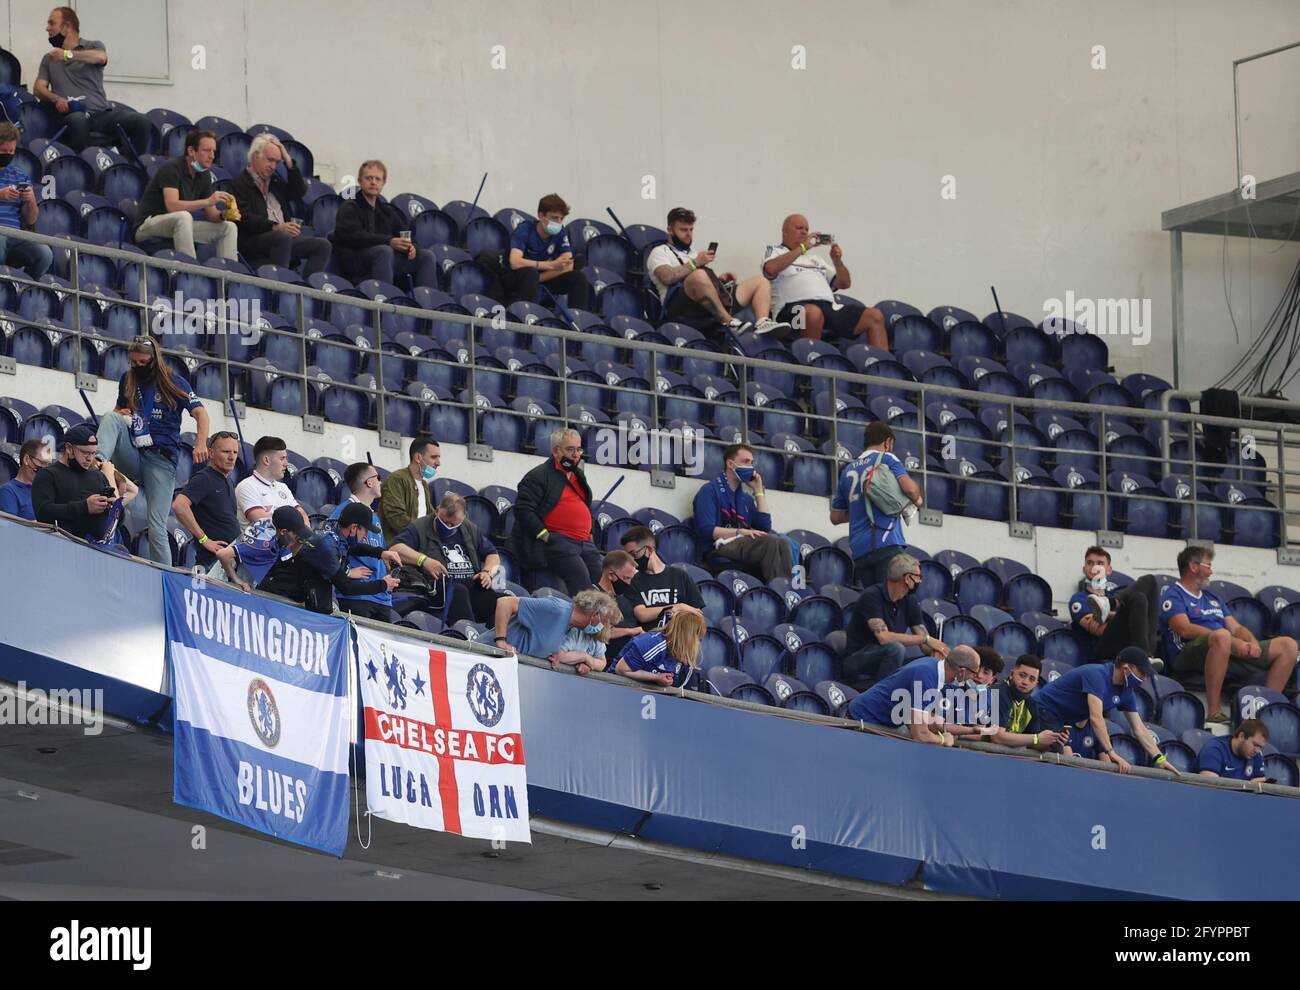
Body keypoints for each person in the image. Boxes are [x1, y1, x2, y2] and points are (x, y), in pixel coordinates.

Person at [95, 336, 210, 566]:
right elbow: (119, 408)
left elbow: (201, 413)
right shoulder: (128, 379)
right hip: (135, 451)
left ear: (154, 360)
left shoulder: (173, 381)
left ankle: (164, 575)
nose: (138, 366)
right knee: (110, 418)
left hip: (161, 459)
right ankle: (97, 462)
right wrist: (122, 414)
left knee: (157, 526)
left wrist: (200, 443)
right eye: (134, 362)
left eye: (142, 362)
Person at [1159, 545, 1298, 725]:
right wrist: (1232, 641)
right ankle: (1214, 711)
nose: (1211, 571)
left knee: (1288, 645)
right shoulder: (1174, 595)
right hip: (1187, 653)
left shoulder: (1213, 598)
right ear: (1193, 567)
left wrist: (1251, 642)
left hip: (1225, 647)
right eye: (1208, 566)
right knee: (1222, 637)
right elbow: (1184, 629)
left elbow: (1236, 627)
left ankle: (1266, 711)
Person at [645, 206, 789, 337]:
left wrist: (721, 280)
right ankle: (728, 322)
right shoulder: (659, 252)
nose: (688, 234)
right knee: (698, 275)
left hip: (706, 305)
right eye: (683, 230)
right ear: (670, 230)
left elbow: (704, 285)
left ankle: (762, 322)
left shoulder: (694, 252)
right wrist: (695, 263)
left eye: (691, 229)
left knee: (760, 281)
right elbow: (666, 277)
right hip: (681, 309)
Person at [1033, 646, 1178, 776]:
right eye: (1142, 673)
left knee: (1058, 762)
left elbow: (1139, 728)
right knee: (1057, 762)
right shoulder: (1097, 674)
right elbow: (1096, 717)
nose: (1145, 678)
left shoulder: (1127, 692)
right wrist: (1111, 752)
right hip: (1043, 709)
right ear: (1126, 668)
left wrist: (1160, 759)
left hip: (1061, 720)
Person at [33, 7, 152, 156]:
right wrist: (55, 98)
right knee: (78, 120)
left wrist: (67, 54)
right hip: (73, 115)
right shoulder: (49, 58)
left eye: (52, 23)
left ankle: (128, 166)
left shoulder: (94, 46)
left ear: (67, 27)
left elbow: (101, 57)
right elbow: (38, 88)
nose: (47, 28)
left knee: (142, 121)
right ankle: (84, 166)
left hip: (102, 115)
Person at [760, 214, 887, 346]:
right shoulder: (774, 251)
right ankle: (811, 359)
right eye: (799, 228)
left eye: (806, 229)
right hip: (790, 310)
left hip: (828, 307)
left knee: (874, 316)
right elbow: (770, 269)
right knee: (813, 313)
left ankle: (883, 366)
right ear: (785, 232)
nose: (804, 232)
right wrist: (802, 248)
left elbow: (844, 283)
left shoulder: (816, 259)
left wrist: (837, 261)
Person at [257, 505, 400, 616]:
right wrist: (383, 585)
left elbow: (352, 548)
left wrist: (381, 553)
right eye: (365, 530)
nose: (366, 535)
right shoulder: (325, 547)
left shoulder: (334, 532)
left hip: (290, 596)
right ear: (354, 528)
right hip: (276, 598)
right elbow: (346, 587)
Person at [389, 492, 506, 625]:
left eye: (453, 525)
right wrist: (423, 560)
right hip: (437, 587)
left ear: (462, 519)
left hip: (471, 585)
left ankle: (492, 640)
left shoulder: (469, 528)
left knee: (505, 603)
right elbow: (395, 548)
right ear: (438, 509)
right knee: (458, 591)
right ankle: (467, 635)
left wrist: (487, 573)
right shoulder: (420, 527)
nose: (448, 527)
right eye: (444, 521)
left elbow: (493, 554)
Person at [831, 422, 923, 588]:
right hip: (886, 543)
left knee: (874, 601)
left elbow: (836, 517)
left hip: (859, 550)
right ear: (887, 442)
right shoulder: (887, 458)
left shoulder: (846, 470)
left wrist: (861, 507)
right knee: (891, 602)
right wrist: (917, 499)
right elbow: (910, 489)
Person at [513, 428, 604, 596]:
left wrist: (589, 531)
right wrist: (544, 534)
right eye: (570, 449)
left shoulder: (578, 475)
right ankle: (585, 622)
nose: (576, 455)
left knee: (604, 582)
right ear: (556, 451)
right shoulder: (538, 476)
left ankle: (606, 621)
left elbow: (584, 505)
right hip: (559, 542)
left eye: (579, 449)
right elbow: (523, 510)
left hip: (585, 542)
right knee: (583, 585)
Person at [229, 133, 331, 276]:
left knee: (322, 245)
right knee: (282, 238)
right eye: (270, 160)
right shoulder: (238, 184)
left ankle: (308, 290)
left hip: (282, 238)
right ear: (255, 156)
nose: (274, 166)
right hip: (255, 240)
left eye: (277, 162)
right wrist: (275, 226)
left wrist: (288, 160)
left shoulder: (275, 181)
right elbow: (244, 217)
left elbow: (299, 191)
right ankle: (280, 285)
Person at [842, 553, 947, 690]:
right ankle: (881, 693)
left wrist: (939, 652)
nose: (920, 581)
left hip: (890, 658)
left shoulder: (910, 601)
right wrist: (926, 639)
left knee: (929, 662)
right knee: (896, 649)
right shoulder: (872, 595)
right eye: (917, 577)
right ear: (907, 578)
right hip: (857, 658)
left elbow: (924, 640)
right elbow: (884, 638)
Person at [691, 443, 792, 583]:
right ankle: (778, 590)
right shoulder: (709, 491)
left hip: (742, 546)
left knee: (783, 543)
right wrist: (740, 532)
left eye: (751, 463)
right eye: (745, 462)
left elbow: (764, 526)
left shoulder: (746, 499)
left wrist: (758, 491)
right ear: (730, 464)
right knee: (770, 542)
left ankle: (785, 588)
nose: (750, 467)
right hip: (717, 548)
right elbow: (706, 530)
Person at [330, 159, 438, 288]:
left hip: (385, 260)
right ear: (360, 181)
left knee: (426, 256)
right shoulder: (349, 206)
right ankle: (384, 300)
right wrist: (389, 241)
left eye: (378, 179)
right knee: (384, 251)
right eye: (369, 178)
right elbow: (352, 236)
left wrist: (411, 247)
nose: (373, 182)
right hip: (356, 262)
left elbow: (407, 236)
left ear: (383, 183)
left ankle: (426, 304)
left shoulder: (387, 211)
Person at [133, 129, 238, 260]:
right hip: (147, 226)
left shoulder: (204, 174)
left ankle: (229, 276)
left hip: (179, 227)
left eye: (214, 151)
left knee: (228, 227)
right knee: (184, 217)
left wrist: (224, 214)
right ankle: (190, 270)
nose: (212, 156)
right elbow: (172, 206)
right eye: (207, 150)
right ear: (191, 151)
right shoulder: (172, 168)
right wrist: (207, 201)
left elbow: (212, 215)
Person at [846, 644, 982, 744]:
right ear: (961, 671)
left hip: (877, 721)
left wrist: (971, 730)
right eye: (974, 673)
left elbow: (933, 723)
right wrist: (943, 740)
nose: (974, 678)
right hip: (863, 722)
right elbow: (920, 735)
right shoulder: (926, 677)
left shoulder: (934, 667)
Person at [479, 194, 589, 309]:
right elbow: (515, 262)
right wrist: (549, 265)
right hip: (512, 277)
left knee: (578, 277)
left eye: (561, 219)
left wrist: (540, 277)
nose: (558, 222)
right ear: (541, 216)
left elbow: (567, 266)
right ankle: (527, 316)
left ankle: (578, 320)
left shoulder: (560, 232)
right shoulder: (525, 229)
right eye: (554, 218)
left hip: (540, 277)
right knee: (531, 273)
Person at [324, 463, 396, 622]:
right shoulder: (344, 511)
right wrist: (347, 573)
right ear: (369, 482)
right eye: (378, 478)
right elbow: (335, 548)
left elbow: (374, 547)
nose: (380, 482)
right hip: (357, 595)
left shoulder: (374, 516)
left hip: (381, 596)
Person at [1068, 546, 1161, 663]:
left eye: (1100, 563)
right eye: (1090, 563)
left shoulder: (1118, 593)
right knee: (1136, 598)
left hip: (1128, 644)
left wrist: (1107, 615)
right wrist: (1125, 614)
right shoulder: (1079, 599)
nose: (1095, 567)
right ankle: (1142, 655)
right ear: (1084, 568)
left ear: (1109, 570)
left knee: (1147, 585)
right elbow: (1097, 629)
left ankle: (1145, 655)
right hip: (1102, 650)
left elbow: (1100, 619)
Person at [493, 589, 620, 674]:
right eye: (603, 622)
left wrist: (583, 661)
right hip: (489, 656)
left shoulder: (572, 628)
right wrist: (501, 640)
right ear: (595, 615)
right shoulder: (557, 609)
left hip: (506, 668)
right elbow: (505, 603)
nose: (602, 627)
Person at [171, 431, 241, 573]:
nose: (231, 457)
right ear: (211, 453)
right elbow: (179, 505)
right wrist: (204, 540)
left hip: (227, 564)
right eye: (226, 451)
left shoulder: (228, 481)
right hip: (211, 564)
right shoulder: (204, 478)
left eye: (235, 452)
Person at [31, 422, 114, 542]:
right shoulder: (48, 475)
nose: (90, 458)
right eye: (85, 452)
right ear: (69, 448)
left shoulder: (98, 476)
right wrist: (85, 507)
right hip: (62, 546)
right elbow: (43, 512)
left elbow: (118, 522)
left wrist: (115, 510)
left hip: (98, 550)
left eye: (93, 453)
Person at [619, 526, 705, 629]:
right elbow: (642, 614)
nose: (631, 560)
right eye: (628, 557)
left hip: (680, 639)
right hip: (650, 641)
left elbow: (697, 614)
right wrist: (675, 607)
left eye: (634, 554)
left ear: (649, 549)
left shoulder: (680, 576)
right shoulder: (633, 580)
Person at [0, 122, 52, 279]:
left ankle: (24, 289)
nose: (8, 154)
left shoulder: (19, 175)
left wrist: (30, 201)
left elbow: (31, 219)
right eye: (3, 151)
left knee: (44, 253)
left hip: (15, 236)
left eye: (11, 151)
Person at [985, 655, 1069, 751]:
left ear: (1036, 684)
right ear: (1011, 674)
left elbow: (1033, 744)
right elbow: (997, 737)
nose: (1025, 682)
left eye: (1031, 679)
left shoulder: (1031, 704)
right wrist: (1037, 738)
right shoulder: (998, 693)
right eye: (1022, 675)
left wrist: (1054, 742)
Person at [613, 611, 707, 688]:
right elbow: (621, 669)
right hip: (616, 687)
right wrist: (656, 677)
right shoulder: (651, 643)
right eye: (697, 637)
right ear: (688, 635)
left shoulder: (681, 652)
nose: (698, 642)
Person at [234, 435, 305, 530]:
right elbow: (266, 526)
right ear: (266, 460)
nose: (286, 463)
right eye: (282, 458)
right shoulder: (246, 486)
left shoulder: (283, 487)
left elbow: (302, 515)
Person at [379, 435, 439, 543]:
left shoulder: (424, 485)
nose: (438, 463)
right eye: (434, 457)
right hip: (399, 547)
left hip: (419, 546)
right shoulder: (397, 479)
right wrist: (423, 534)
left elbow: (430, 517)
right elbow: (396, 516)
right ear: (418, 458)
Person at [1196, 719, 1269, 781]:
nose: (1257, 750)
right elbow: (1209, 786)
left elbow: (1260, 783)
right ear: (1241, 736)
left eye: (1260, 747)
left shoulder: (1257, 754)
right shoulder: (1214, 749)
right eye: (1255, 745)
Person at [0, 438, 54, 520]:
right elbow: (10, 528)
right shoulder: (8, 491)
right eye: (42, 463)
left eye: (48, 465)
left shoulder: (47, 491)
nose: (46, 469)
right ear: (27, 459)